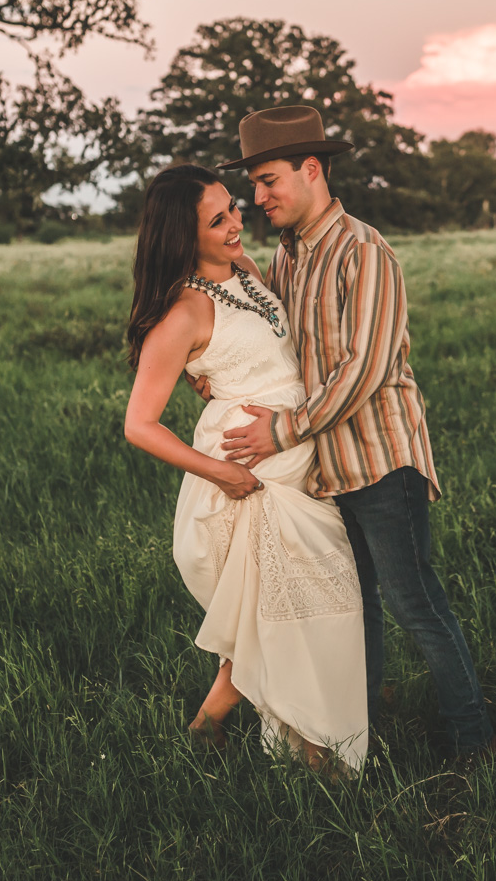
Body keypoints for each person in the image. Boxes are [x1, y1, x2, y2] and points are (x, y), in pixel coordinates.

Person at [208, 105, 496, 759]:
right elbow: (282, 342)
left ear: (312, 170)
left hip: (379, 460)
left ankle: (476, 744)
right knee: (355, 608)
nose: (259, 198)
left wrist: (282, 430)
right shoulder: (289, 254)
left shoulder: (362, 251)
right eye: (253, 185)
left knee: (414, 604)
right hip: (323, 467)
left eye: (270, 180)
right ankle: (357, 734)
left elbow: (362, 368)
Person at [122, 162, 368, 774]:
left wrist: (216, 381)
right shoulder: (183, 313)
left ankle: (212, 723)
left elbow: (254, 357)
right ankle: (317, 752)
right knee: (289, 612)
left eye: (233, 207)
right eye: (218, 220)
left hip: (294, 464)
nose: (237, 222)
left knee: (287, 611)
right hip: (247, 483)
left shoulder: (250, 274)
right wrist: (221, 472)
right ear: (184, 237)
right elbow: (139, 424)